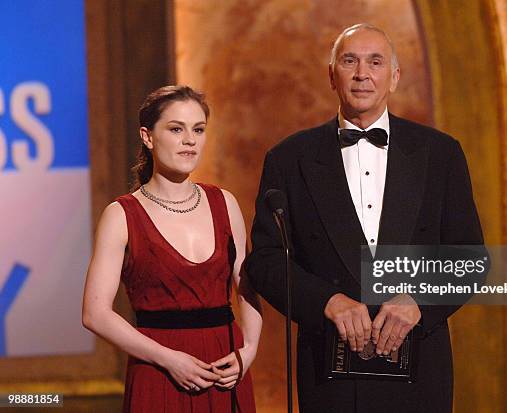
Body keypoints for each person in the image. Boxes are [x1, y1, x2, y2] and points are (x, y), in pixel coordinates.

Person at [245, 24, 483, 412]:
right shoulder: (289, 158)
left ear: (394, 76)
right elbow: (267, 261)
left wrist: (419, 300)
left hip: (419, 368)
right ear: (331, 75)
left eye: (376, 62)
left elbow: (469, 257)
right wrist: (327, 300)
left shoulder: (440, 153)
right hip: (329, 371)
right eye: (349, 61)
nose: (361, 74)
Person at [82, 85, 261, 412]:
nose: (190, 140)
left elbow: (247, 287)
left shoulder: (225, 203)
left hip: (225, 365)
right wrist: (168, 359)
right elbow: (95, 313)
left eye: (198, 130)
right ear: (148, 137)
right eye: (176, 129)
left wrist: (248, 350)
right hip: (159, 369)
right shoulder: (122, 215)